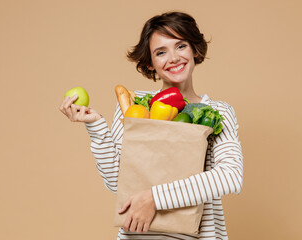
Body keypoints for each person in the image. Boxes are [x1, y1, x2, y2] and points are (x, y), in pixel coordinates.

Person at [60, 11, 243, 240]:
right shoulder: (134, 106)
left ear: (195, 49)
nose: (173, 58)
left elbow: (230, 176)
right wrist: (96, 126)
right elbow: (118, 181)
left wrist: (154, 198)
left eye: (181, 46)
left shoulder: (217, 112)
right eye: (161, 52)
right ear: (150, 63)